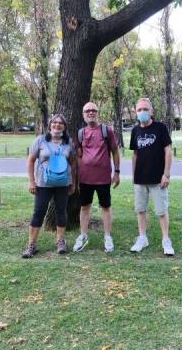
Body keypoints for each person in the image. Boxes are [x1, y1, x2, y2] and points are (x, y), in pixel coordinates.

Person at [22, 114, 75, 258]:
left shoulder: (68, 142)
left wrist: (73, 182)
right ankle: (31, 245)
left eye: (60, 123)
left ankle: (60, 241)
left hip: (63, 184)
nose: (57, 125)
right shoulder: (40, 141)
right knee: (38, 212)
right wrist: (31, 181)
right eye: (54, 122)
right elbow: (30, 161)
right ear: (50, 125)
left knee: (61, 212)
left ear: (64, 127)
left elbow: (72, 163)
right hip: (42, 184)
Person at [129, 98, 175, 256]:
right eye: (139, 109)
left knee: (161, 211)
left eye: (145, 109)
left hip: (158, 179)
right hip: (140, 179)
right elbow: (135, 154)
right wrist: (133, 175)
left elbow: (168, 151)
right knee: (140, 210)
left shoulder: (160, 128)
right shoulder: (135, 131)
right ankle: (142, 238)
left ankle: (166, 240)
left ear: (151, 111)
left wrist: (166, 174)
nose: (142, 112)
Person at [73, 102, 120, 253]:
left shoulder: (107, 131)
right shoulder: (81, 133)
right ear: (83, 114)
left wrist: (117, 172)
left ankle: (107, 236)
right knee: (84, 207)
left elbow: (115, 152)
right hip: (85, 178)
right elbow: (79, 155)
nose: (91, 113)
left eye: (93, 110)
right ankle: (83, 236)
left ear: (98, 113)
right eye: (87, 111)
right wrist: (78, 175)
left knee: (105, 207)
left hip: (103, 178)